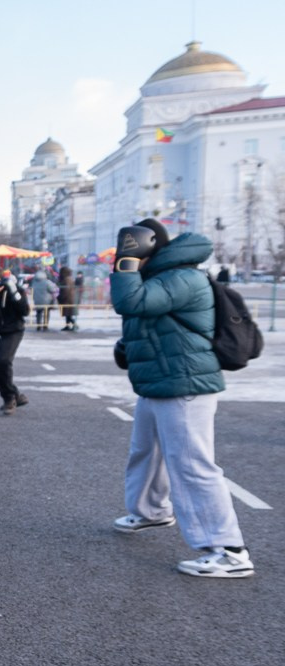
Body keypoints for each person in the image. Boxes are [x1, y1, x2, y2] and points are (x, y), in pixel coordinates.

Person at [110, 221, 252, 578]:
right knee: (146, 452)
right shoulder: (161, 276)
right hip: (160, 382)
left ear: (148, 245)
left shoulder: (181, 277)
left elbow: (130, 301)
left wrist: (126, 263)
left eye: (132, 246)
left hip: (185, 384)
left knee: (192, 465)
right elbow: (144, 318)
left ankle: (228, 550)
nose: (127, 252)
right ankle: (151, 511)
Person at [0, 267, 30, 417]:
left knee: (2, 362)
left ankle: (9, 399)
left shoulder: (14, 291)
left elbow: (25, 311)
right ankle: (15, 394)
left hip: (12, 331)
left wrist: (13, 291)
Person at [56, 266, 81, 331]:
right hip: (69, 299)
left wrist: (61, 297)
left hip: (67, 299)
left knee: (68, 314)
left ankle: (74, 324)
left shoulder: (66, 279)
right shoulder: (69, 278)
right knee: (67, 314)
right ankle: (68, 325)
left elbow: (66, 290)